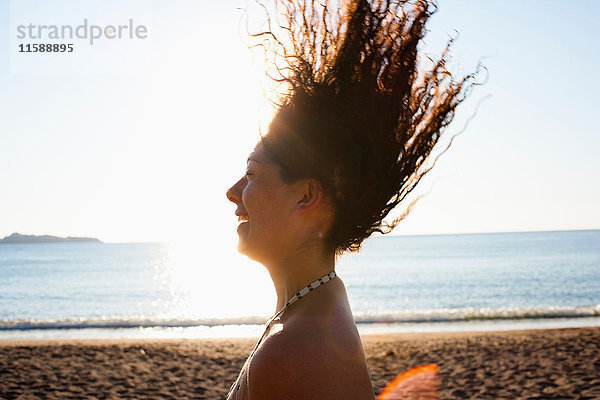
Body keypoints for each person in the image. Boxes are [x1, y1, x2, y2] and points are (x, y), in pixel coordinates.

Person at [226, 0, 480, 398]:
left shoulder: (293, 351)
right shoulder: (317, 308)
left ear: (306, 196)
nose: (233, 192)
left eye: (252, 174)